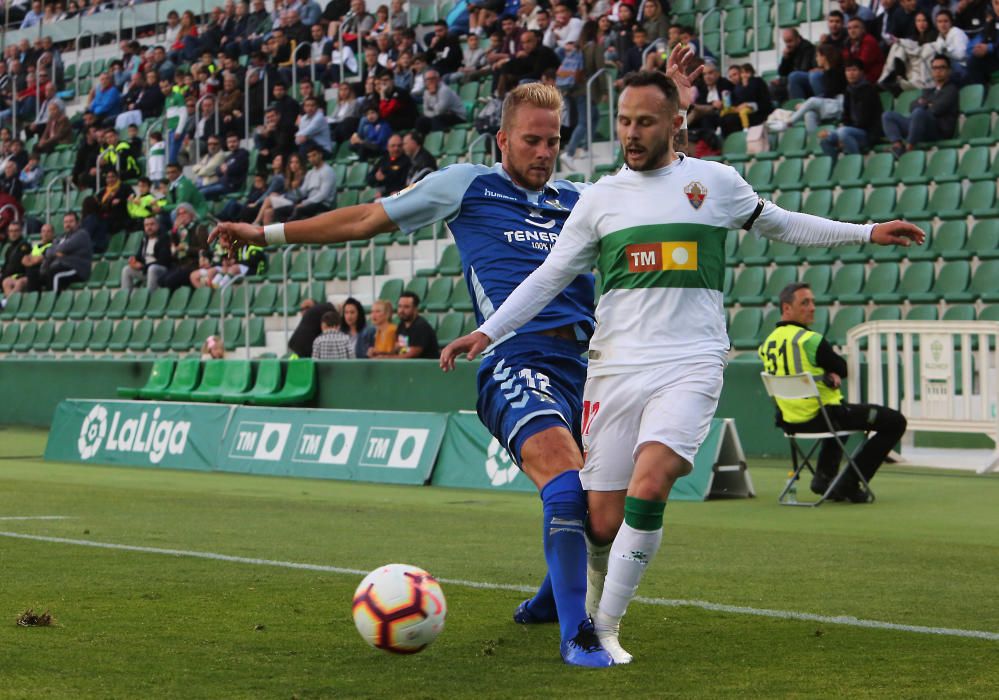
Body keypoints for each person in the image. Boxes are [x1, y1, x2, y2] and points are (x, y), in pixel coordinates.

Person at [439, 69, 924, 665]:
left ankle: (603, 632)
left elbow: (784, 223)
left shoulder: (712, 183)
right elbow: (547, 278)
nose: (631, 134)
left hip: (690, 362)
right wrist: (488, 332)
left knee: (650, 483)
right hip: (615, 366)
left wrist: (866, 231)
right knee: (600, 519)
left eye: (645, 122)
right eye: (624, 122)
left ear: (675, 124)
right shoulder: (600, 199)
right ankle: (584, 606)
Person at [209, 73, 665, 666]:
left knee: (602, 515)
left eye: (553, 141)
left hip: (589, 365)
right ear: (502, 139)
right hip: (512, 356)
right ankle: (579, 634)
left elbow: (658, 196)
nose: (544, 152)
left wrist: (670, 114)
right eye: (532, 140)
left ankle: (553, 601)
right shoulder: (465, 185)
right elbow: (364, 219)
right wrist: (264, 233)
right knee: (560, 473)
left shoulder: (580, 199)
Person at [759, 283, 908, 502]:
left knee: (842, 415)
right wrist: (832, 372)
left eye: (812, 302)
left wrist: (826, 374)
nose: (812, 307)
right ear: (786, 308)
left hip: (791, 421)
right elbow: (843, 368)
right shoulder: (810, 340)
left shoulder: (767, 343)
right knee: (895, 421)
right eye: (804, 303)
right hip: (822, 417)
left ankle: (824, 478)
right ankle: (849, 483)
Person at [881, 54, 959, 158]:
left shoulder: (951, 90)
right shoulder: (929, 91)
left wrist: (924, 104)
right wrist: (927, 104)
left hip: (938, 131)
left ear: (949, 70)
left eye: (942, 67)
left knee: (919, 113)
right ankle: (898, 146)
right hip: (919, 125)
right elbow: (912, 106)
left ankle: (908, 149)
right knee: (888, 115)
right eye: (935, 68)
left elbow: (936, 109)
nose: (938, 71)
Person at [820, 58, 884, 156]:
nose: (851, 73)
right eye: (848, 70)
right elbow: (846, 116)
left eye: (854, 70)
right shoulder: (848, 91)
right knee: (825, 140)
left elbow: (864, 120)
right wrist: (841, 128)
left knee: (843, 132)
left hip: (868, 134)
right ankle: (835, 169)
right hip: (850, 131)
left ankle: (856, 164)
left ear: (861, 72)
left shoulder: (869, 90)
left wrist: (842, 132)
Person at [40, 212, 94, 292]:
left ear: (78, 223)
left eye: (71, 221)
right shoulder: (62, 236)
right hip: (61, 266)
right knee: (37, 274)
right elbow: (48, 251)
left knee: (55, 274)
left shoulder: (81, 234)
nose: (68, 224)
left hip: (76, 269)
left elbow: (64, 247)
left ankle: (54, 301)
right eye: (66, 222)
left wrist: (57, 252)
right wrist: (57, 253)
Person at [382, 291, 439, 359]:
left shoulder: (421, 326)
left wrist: (387, 358)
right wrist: (380, 354)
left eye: (406, 307)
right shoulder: (401, 325)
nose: (401, 310)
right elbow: (398, 348)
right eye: (399, 306)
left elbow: (412, 354)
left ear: (415, 309)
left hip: (423, 367)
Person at [121, 217, 173, 291]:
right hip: (146, 269)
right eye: (146, 225)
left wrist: (143, 267)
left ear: (158, 225)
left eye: (152, 224)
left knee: (152, 268)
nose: (149, 227)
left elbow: (163, 260)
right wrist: (134, 260)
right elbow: (139, 255)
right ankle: (125, 298)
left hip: (161, 270)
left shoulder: (163, 239)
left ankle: (150, 297)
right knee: (126, 269)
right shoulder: (145, 239)